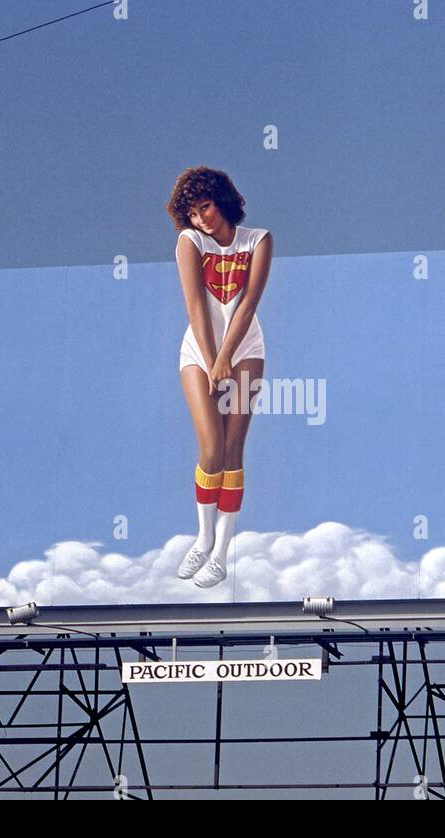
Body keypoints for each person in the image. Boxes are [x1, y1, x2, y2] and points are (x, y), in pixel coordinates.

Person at [165, 167, 273, 588]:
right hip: (199, 350)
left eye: (205, 207)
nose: (201, 218)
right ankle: (204, 536)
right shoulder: (189, 242)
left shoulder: (258, 240)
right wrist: (213, 362)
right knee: (210, 447)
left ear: (221, 201)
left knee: (232, 450)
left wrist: (227, 357)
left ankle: (222, 553)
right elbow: (195, 306)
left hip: (245, 349)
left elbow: (247, 305)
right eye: (192, 213)